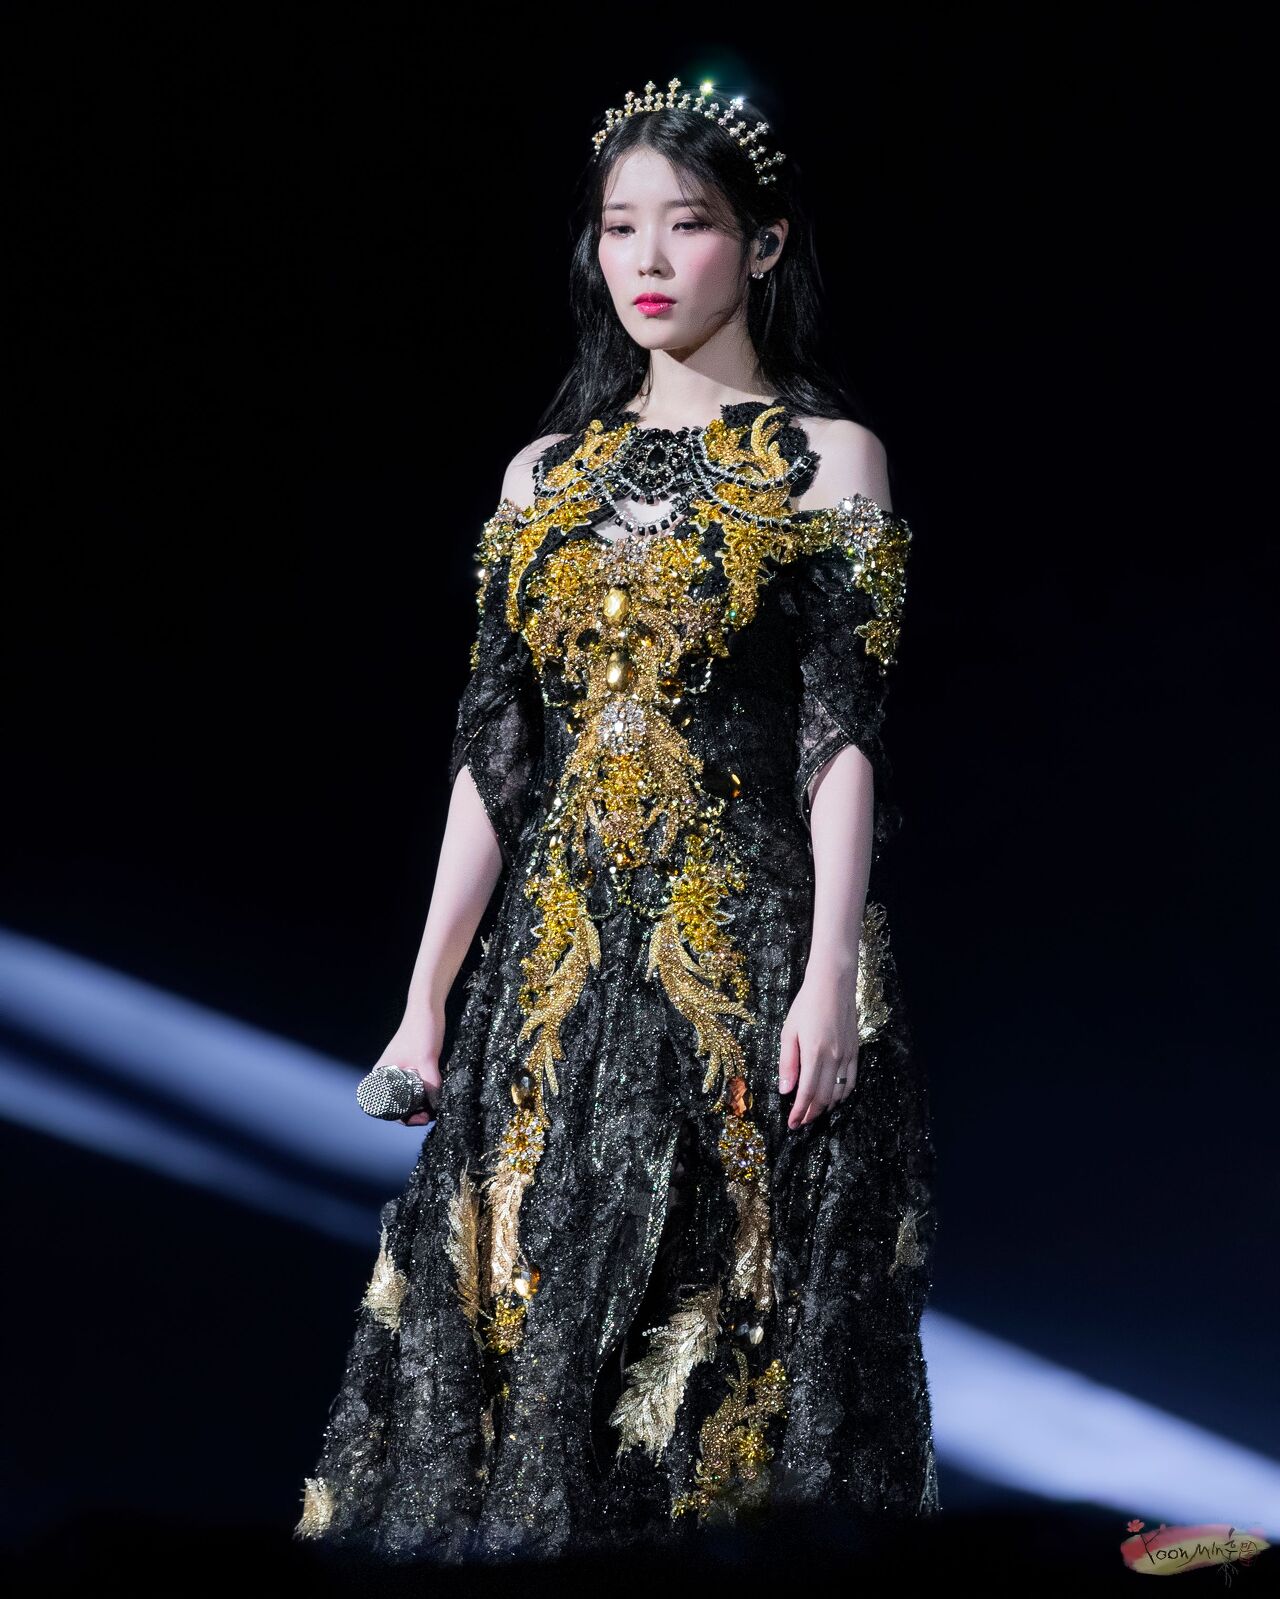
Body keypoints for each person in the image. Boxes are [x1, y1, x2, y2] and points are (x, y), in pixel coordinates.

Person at [293, 73, 939, 1567]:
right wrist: (423, 1003)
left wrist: (830, 975)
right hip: (556, 977)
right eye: (618, 226)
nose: (647, 259)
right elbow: (495, 756)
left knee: (723, 1354)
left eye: (688, 224)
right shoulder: (543, 478)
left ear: (763, 244)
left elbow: (841, 738)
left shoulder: (828, 460)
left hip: (742, 965)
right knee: (525, 1338)